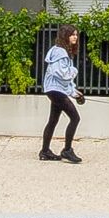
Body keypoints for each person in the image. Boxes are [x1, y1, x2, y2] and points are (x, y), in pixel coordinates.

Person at [39, 25, 84, 164]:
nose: (75, 37)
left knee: (53, 120)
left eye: (76, 34)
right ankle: (67, 150)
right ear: (65, 36)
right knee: (75, 118)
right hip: (56, 90)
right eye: (72, 34)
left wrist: (74, 92)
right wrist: (74, 71)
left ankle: (45, 151)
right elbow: (61, 74)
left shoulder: (60, 50)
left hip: (54, 89)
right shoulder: (61, 52)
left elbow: (64, 80)